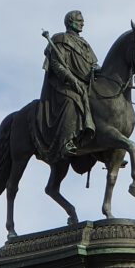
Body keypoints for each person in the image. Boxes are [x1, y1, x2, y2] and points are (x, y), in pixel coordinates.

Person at [36, 11, 98, 161]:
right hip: (62, 85)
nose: (83, 23)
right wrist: (72, 80)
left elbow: (93, 64)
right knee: (72, 101)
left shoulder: (85, 44)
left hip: (85, 84)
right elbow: (57, 64)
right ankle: (66, 142)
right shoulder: (60, 39)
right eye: (79, 20)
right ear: (70, 22)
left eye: (83, 20)